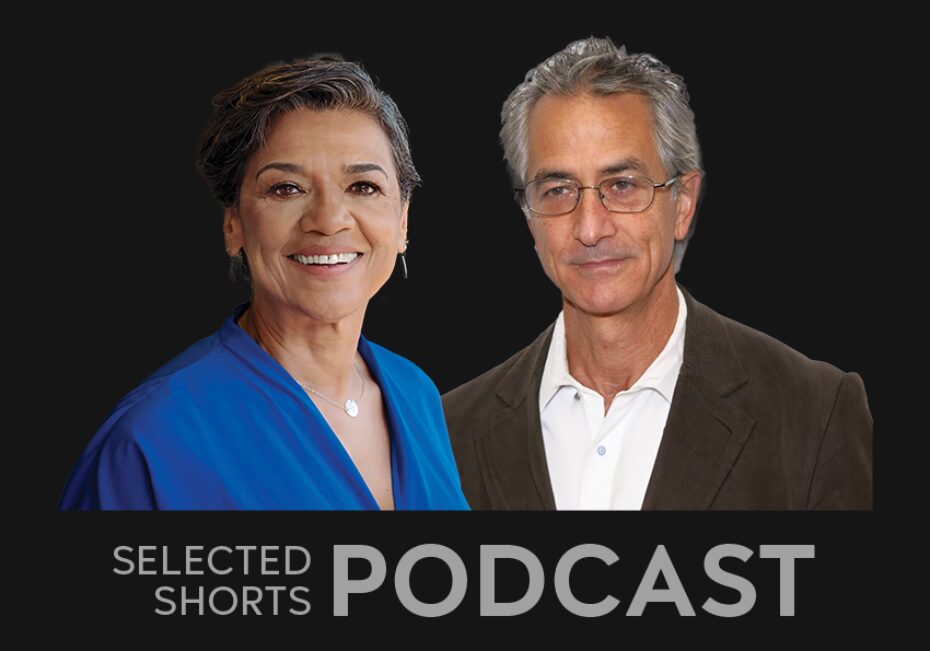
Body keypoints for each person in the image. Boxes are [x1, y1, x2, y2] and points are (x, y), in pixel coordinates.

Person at [441, 37, 872, 510]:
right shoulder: (445, 434)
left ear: (683, 204)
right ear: (530, 218)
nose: (590, 228)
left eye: (622, 185)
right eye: (559, 190)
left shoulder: (815, 415)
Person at [59, 56, 468, 510]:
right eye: (286, 188)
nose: (329, 220)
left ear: (403, 220)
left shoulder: (416, 393)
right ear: (233, 224)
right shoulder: (152, 440)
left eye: (363, 187)